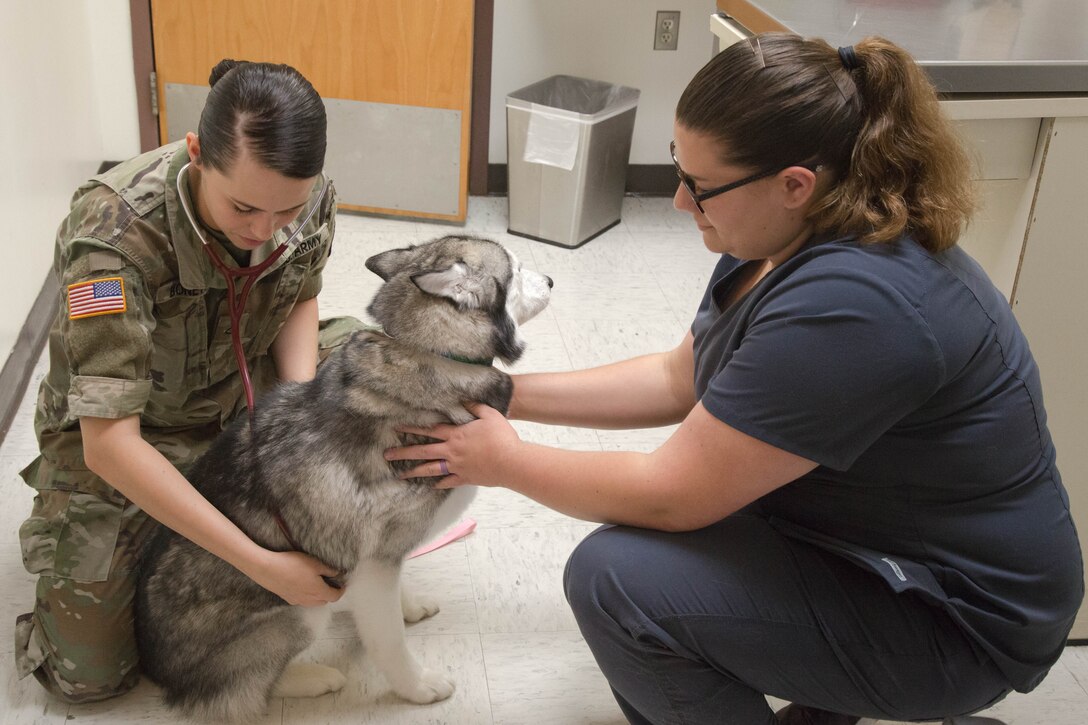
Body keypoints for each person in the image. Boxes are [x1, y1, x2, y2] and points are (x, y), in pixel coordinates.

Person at [385, 33, 1084, 724]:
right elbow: (674, 378)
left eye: (701, 186)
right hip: (871, 539)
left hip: (958, 617)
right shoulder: (774, 238)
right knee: (665, 541)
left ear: (794, 185)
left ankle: (864, 681)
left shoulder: (858, 306)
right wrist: (500, 394)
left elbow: (671, 496)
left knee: (618, 583)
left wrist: (503, 460)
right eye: (678, 169)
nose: (682, 202)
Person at [15, 59, 361, 703]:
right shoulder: (113, 238)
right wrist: (262, 567)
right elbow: (108, 443)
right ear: (198, 155)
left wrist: (298, 416)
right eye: (243, 207)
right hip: (134, 427)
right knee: (87, 679)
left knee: (383, 373)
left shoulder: (301, 195)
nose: (263, 229)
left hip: (242, 379)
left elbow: (298, 297)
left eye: (286, 209)